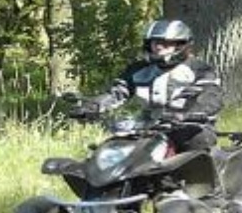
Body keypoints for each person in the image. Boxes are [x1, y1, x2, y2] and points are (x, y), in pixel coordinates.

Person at [86, 18, 223, 152]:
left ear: (180, 45)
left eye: (165, 43)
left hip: (188, 126)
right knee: (110, 150)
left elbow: (211, 96)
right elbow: (117, 92)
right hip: (146, 127)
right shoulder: (138, 69)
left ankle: (201, 174)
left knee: (197, 141)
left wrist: (189, 113)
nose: (158, 47)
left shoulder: (199, 69)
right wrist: (94, 106)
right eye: (155, 42)